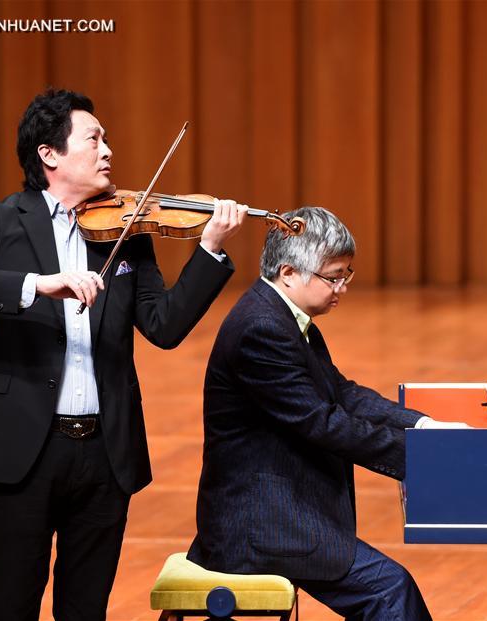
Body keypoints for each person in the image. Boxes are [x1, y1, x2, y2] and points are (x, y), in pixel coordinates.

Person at [0, 88, 247, 621]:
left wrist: (209, 249)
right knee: (10, 605)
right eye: (93, 138)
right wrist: (37, 285)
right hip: (22, 451)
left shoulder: (125, 230)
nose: (108, 150)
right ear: (49, 155)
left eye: (106, 139)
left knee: (85, 610)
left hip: (103, 455)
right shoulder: (2, 220)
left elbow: (163, 327)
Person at [187, 206, 468, 620]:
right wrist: (423, 454)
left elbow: (343, 394)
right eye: (333, 277)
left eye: (345, 276)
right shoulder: (261, 329)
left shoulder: (284, 316)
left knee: (391, 588)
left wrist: (424, 425)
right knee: (390, 590)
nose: (342, 288)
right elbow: (324, 424)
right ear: (288, 273)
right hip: (259, 523)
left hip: (281, 507)